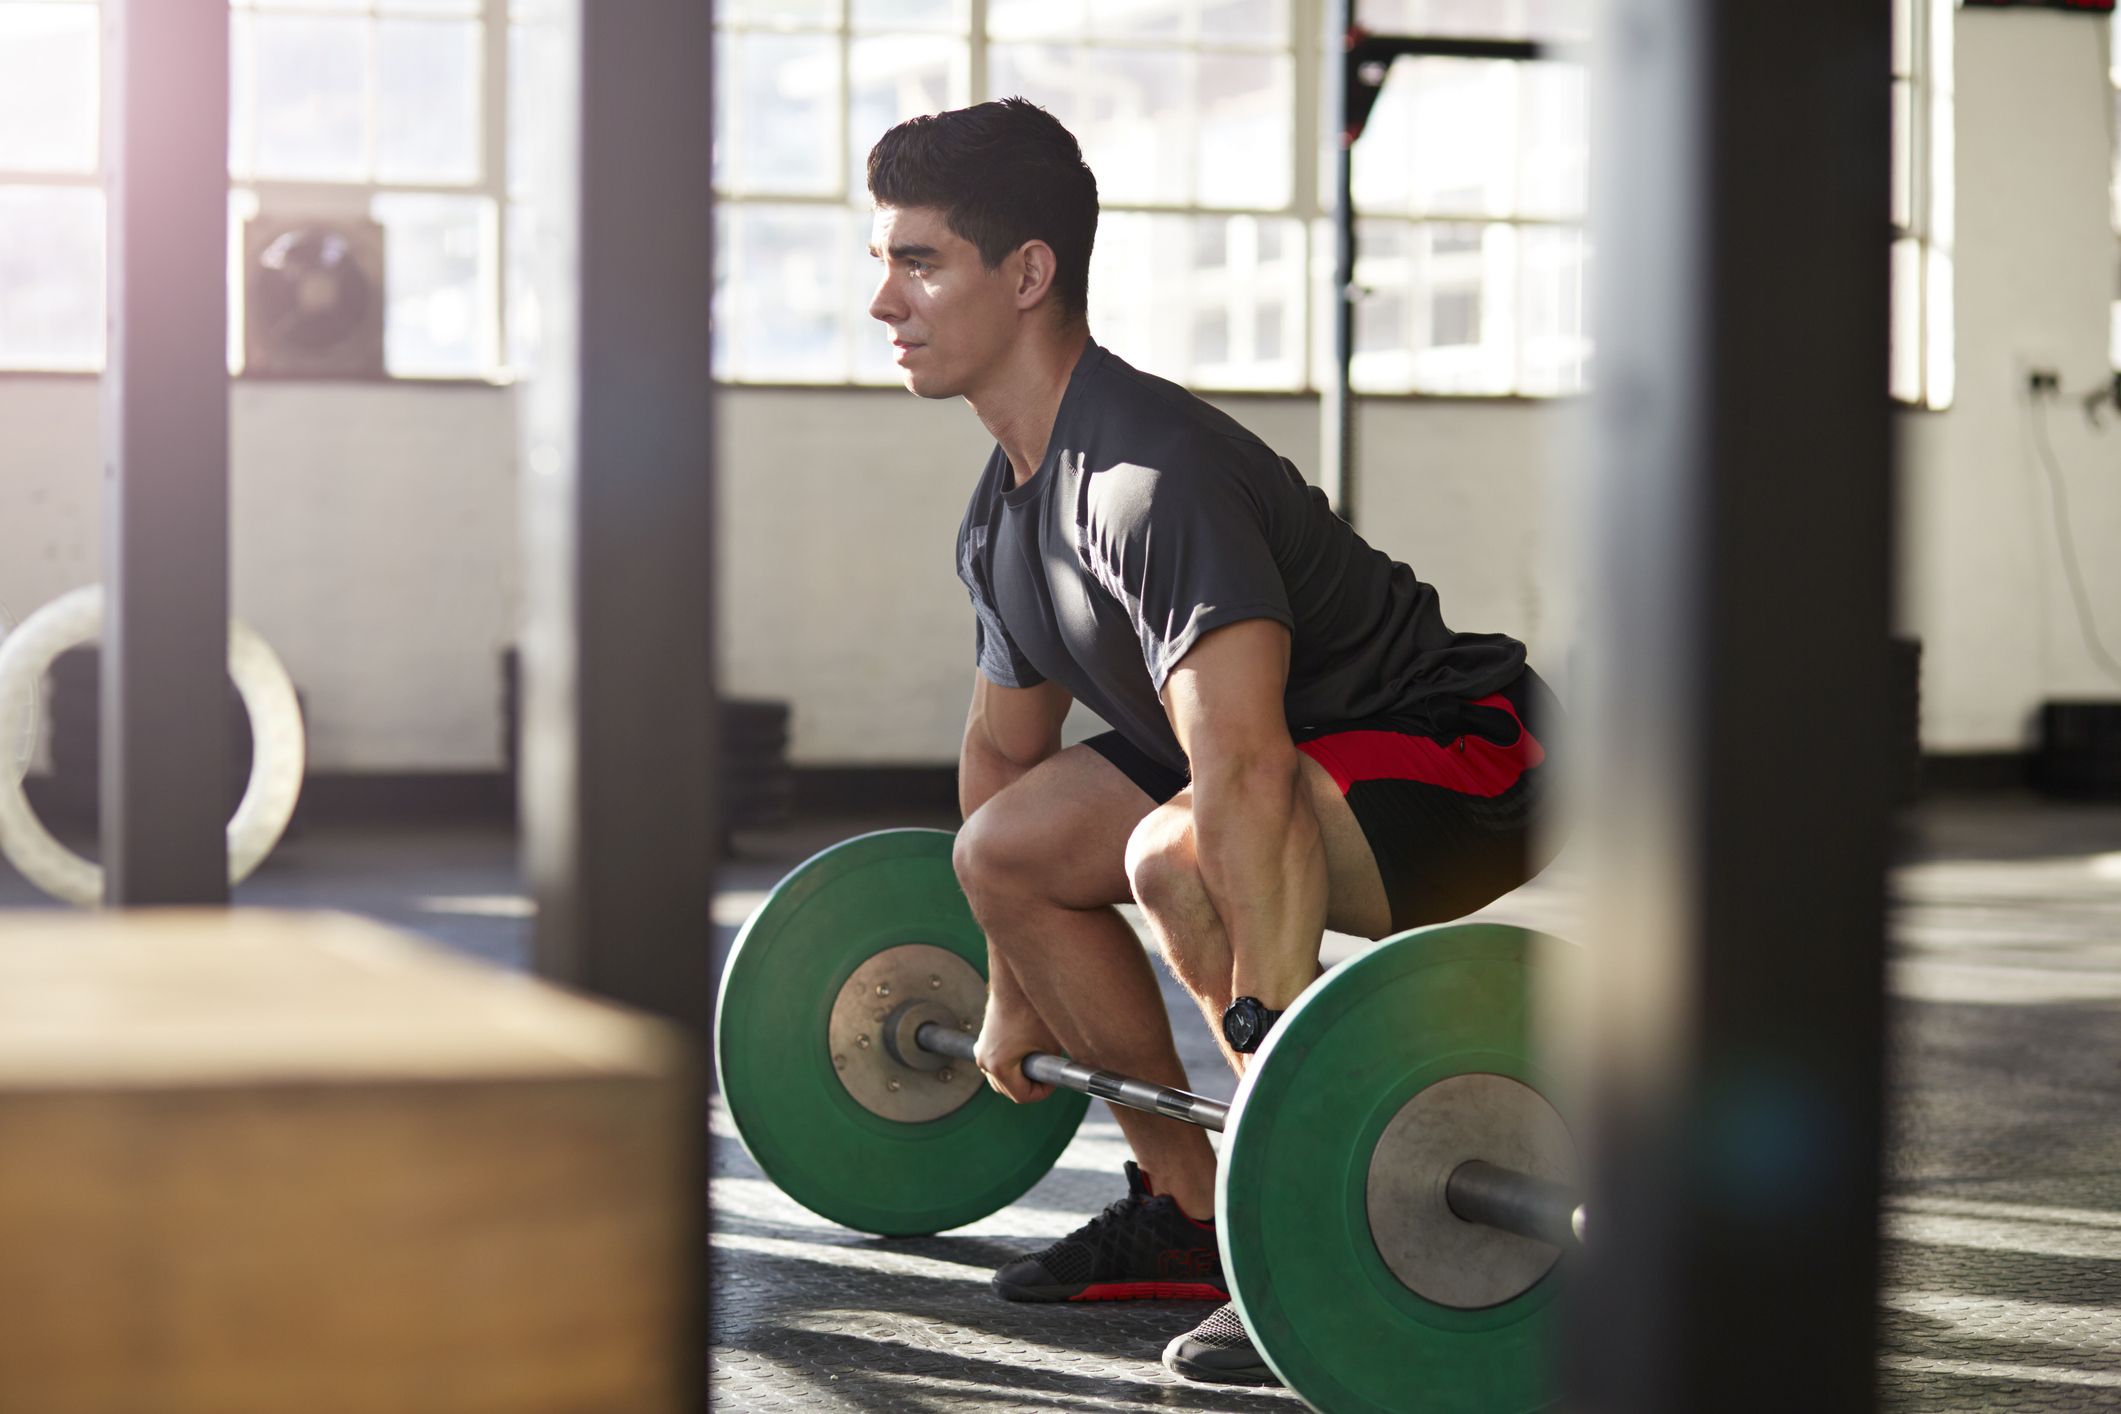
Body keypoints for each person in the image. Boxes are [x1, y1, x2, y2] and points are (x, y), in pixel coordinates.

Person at [863, 97, 1564, 1388]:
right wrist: (1014, 982)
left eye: (918, 261)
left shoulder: (1146, 475)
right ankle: (1192, 1215)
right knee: (1006, 851)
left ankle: (1291, 1227)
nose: (884, 301)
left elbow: (1238, 767)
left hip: (1467, 758)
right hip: (1284, 758)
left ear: (1027, 274)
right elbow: (1003, 760)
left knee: (1175, 854)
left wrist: (1271, 1025)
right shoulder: (1004, 510)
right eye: (883, 262)